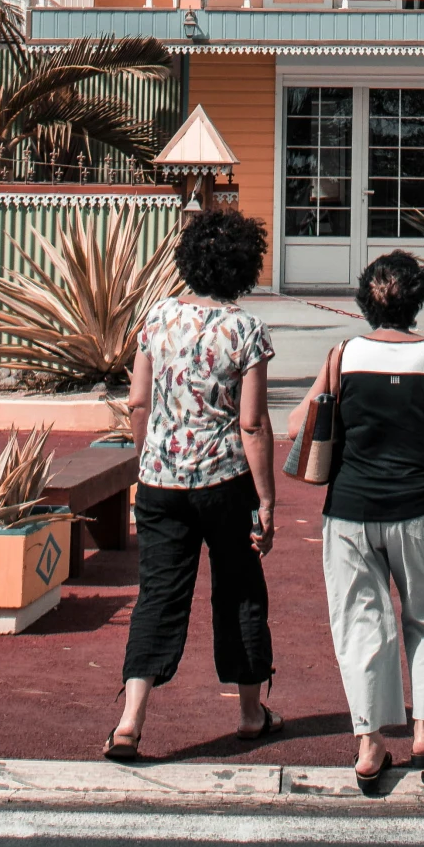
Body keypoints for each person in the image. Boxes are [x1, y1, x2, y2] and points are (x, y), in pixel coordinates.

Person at [290, 248, 424, 793]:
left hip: (350, 509)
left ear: (364, 299)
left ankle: (370, 745)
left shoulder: (343, 353)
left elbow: (299, 425)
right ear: (419, 300)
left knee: (360, 622)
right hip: (419, 503)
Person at [107, 209, 278, 762]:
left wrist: (148, 459)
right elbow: (251, 423)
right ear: (243, 268)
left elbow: (137, 402)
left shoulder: (156, 319)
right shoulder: (246, 330)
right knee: (240, 591)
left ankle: (131, 720)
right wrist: (268, 498)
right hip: (225, 479)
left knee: (157, 593)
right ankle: (251, 714)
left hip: (160, 481)